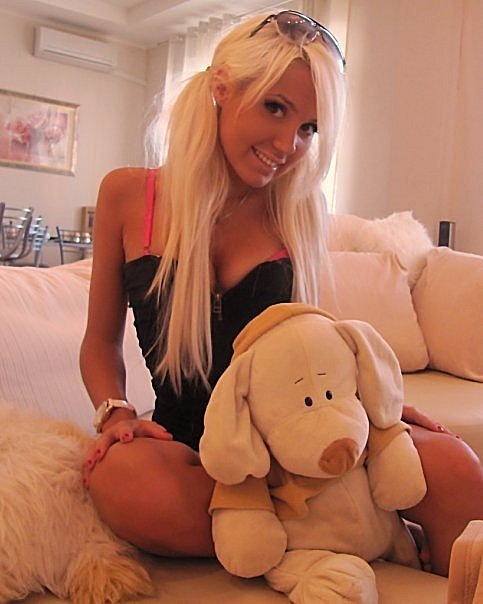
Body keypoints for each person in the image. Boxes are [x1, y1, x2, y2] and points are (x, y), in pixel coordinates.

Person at [80, 10, 483, 576]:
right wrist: (115, 413)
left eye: (309, 127)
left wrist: (374, 405)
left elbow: (313, 340)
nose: (288, 144)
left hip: (303, 438)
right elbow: (100, 343)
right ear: (222, 87)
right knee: (124, 480)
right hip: (191, 447)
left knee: (455, 467)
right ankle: (340, 530)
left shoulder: (299, 209)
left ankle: (278, 533)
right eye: (275, 107)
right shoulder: (127, 195)